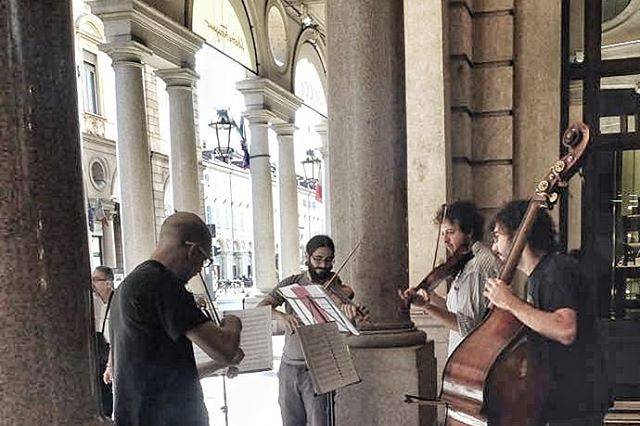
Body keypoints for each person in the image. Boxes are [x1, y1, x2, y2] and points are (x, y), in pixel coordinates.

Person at [110, 212, 244, 426]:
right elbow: (226, 349)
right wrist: (233, 323)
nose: (199, 270)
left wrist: (215, 365)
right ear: (192, 251)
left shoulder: (127, 286)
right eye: (203, 261)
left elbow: (164, 373)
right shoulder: (163, 284)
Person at [484, 200, 600, 425]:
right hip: (562, 398)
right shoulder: (537, 278)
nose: (494, 247)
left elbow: (565, 329)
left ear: (520, 235)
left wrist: (510, 302)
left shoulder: (556, 270)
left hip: (576, 402)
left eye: (498, 236)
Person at [258, 235, 367, 426]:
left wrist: (349, 317)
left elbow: (347, 332)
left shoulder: (337, 289)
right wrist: (282, 316)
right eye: (317, 259)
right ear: (307, 257)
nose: (323, 266)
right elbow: (262, 307)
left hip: (318, 369)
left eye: (328, 260)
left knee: (319, 422)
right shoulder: (291, 283)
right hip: (288, 367)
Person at [402, 201, 500, 354]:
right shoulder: (468, 262)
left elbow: (468, 327)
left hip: (471, 358)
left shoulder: (475, 267)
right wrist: (430, 296)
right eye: (443, 234)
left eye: (450, 232)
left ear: (469, 232)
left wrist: (426, 307)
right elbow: (452, 310)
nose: (445, 240)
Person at [92, 265, 115, 417]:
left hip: (111, 358)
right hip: (102, 358)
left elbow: (116, 338)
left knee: (108, 401)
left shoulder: (117, 303)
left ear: (108, 282)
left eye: (96, 280)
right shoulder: (98, 303)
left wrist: (109, 365)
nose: (92, 284)